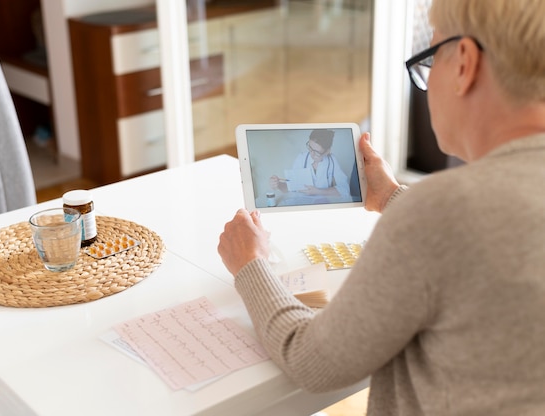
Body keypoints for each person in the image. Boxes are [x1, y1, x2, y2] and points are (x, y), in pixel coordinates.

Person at [217, 0, 545, 414]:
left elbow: (311, 363)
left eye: (430, 59)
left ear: (464, 62)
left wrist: (250, 265)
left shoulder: (442, 211)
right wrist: (391, 197)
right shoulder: (452, 214)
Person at [269, 129, 351, 199]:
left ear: (327, 151)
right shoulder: (301, 158)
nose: (312, 154)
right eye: (310, 148)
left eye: (317, 152)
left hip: (323, 206)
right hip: (302, 205)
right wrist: (278, 185)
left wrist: (319, 191)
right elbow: (290, 187)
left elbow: (345, 190)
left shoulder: (332, 161)